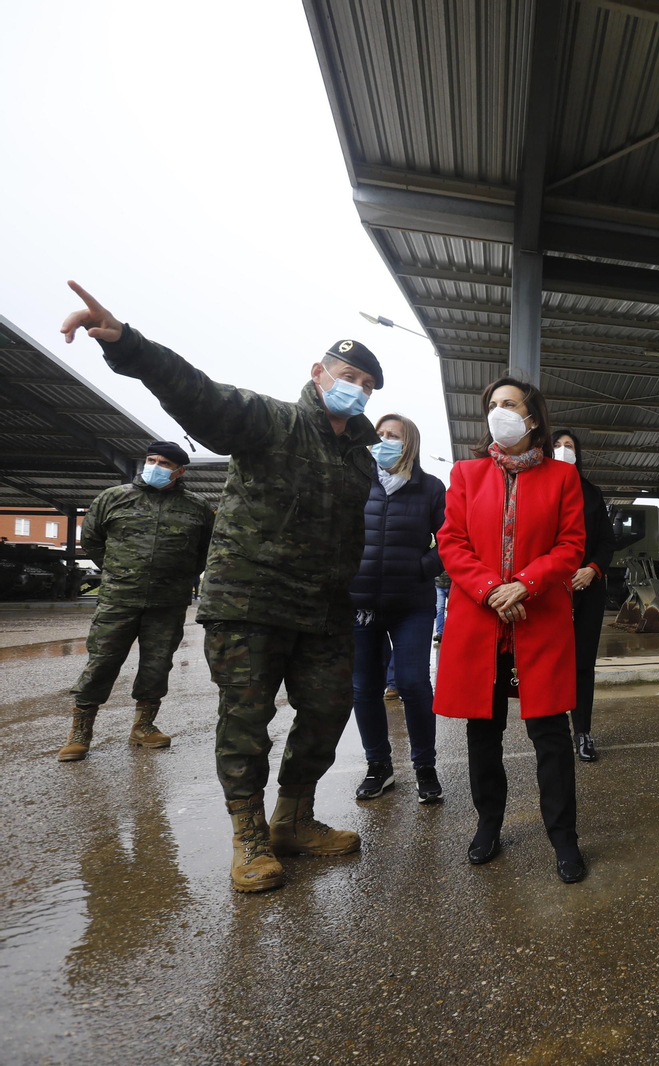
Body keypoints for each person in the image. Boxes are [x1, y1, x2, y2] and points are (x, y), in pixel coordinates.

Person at [61, 281, 384, 894]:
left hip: (323, 609)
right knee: (246, 720)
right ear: (319, 373)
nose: (359, 391)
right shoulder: (272, 421)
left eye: (369, 387)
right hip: (250, 601)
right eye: (350, 376)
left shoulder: (362, 459)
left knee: (327, 711)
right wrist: (129, 346)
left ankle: (294, 819)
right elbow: (200, 397)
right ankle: (250, 838)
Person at [434, 376, 588, 883]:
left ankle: (563, 838)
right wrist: (488, 589)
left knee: (549, 734)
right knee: (483, 731)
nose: (499, 412)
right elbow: (452, 542)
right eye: (493, 405)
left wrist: (524, 584)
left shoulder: (563, 480)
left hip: (537, 617)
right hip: (480, 621)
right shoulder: (466, 474)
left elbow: (570, 547)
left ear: (533, 418)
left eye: (510, 404)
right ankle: (488, 825)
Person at [57, 440, 213, 760]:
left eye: (164, 463)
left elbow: (204, 552)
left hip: (168, 602)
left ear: (180, 471)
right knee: (102, 663)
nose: (154, 465)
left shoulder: (197, 507)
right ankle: (81, 731)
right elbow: (92, 540)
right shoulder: (114, 498)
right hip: (119, 598)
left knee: (156, 666)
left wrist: (178, 576)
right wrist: (118, 571)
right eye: (151, 459)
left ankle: (144, 726)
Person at [349, 413, 447, 803]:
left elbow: (453, 540)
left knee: (413, 684)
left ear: (410, 444)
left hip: (412, 604)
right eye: (381, 434)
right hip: (359, 605)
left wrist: (420, 569)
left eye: (394, 436)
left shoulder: (431, 488)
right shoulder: (356, 481)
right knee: (364, 688)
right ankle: (379, 766)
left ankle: (425, 766)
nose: (385, 440)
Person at [552, 428, 616, 762]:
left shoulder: (591, 493)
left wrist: (592, 569)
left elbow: (607, 542)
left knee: (582, 664)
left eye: (569, 446)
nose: (564, 450)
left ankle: (583, 731)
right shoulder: (539, 489)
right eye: (558, 445)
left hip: (587, 588)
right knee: (550, 663)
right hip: (549, 590)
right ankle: (551, 730)